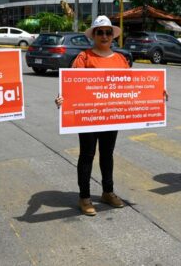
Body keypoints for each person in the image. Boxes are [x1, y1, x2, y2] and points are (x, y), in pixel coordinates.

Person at [55, 16, 130, 216]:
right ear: (94, 35)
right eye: (100, 32)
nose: (104, 36)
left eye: (108, 32)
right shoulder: (84, 58)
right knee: (87, 155)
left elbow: (133, 87)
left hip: (111, 115)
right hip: (88, 116)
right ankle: (85, 197)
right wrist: (63, 99)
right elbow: (72, 86)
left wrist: (157, 94)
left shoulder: (121, 59)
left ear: (113, 36)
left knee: (107, 154)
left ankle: (107, 191)